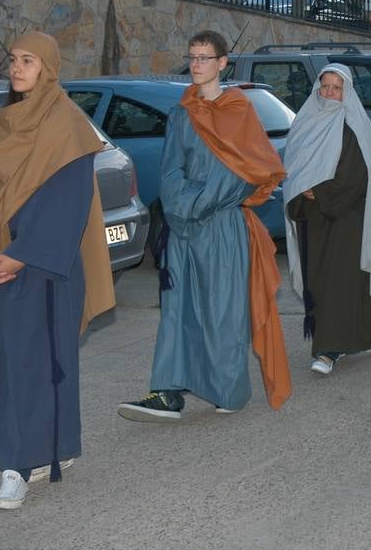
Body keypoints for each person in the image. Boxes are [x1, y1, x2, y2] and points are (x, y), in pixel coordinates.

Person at [0, 32, 115, 510]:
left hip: (46, 268)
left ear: (49, 68)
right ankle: (34, 451)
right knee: (2, 365)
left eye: (29, 61)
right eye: (13, 59)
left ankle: (20, 464)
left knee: (42, 365)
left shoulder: (68, 125)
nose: (17, 68)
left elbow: (69, 205)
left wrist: (23, 255)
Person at [117, 30, 289, 421]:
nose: (196, 65)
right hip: (183, 228)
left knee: (223, 311)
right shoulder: (182, 111)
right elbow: (170, 170)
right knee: (177, 310)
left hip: (224, 225)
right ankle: (167, 392)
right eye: (192, 57)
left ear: (222, 63)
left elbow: (245, 172)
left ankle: (227, 390)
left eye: (204, 58)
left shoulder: (239, 110)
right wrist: (181, 209)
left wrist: (196, 203)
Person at [284, 64, 371, 375]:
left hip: (344, 219)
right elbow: (292, 169)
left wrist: (319, 192)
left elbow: (356, 175)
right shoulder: (304, 123)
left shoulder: (355, 126)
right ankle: (344, 340)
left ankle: (329, 349)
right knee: (319, 283)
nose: (329, 93)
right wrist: (299, 191)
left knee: (337, 284)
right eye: (325, 86)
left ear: (346, 92)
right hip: (312, 218)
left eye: (337, 88)